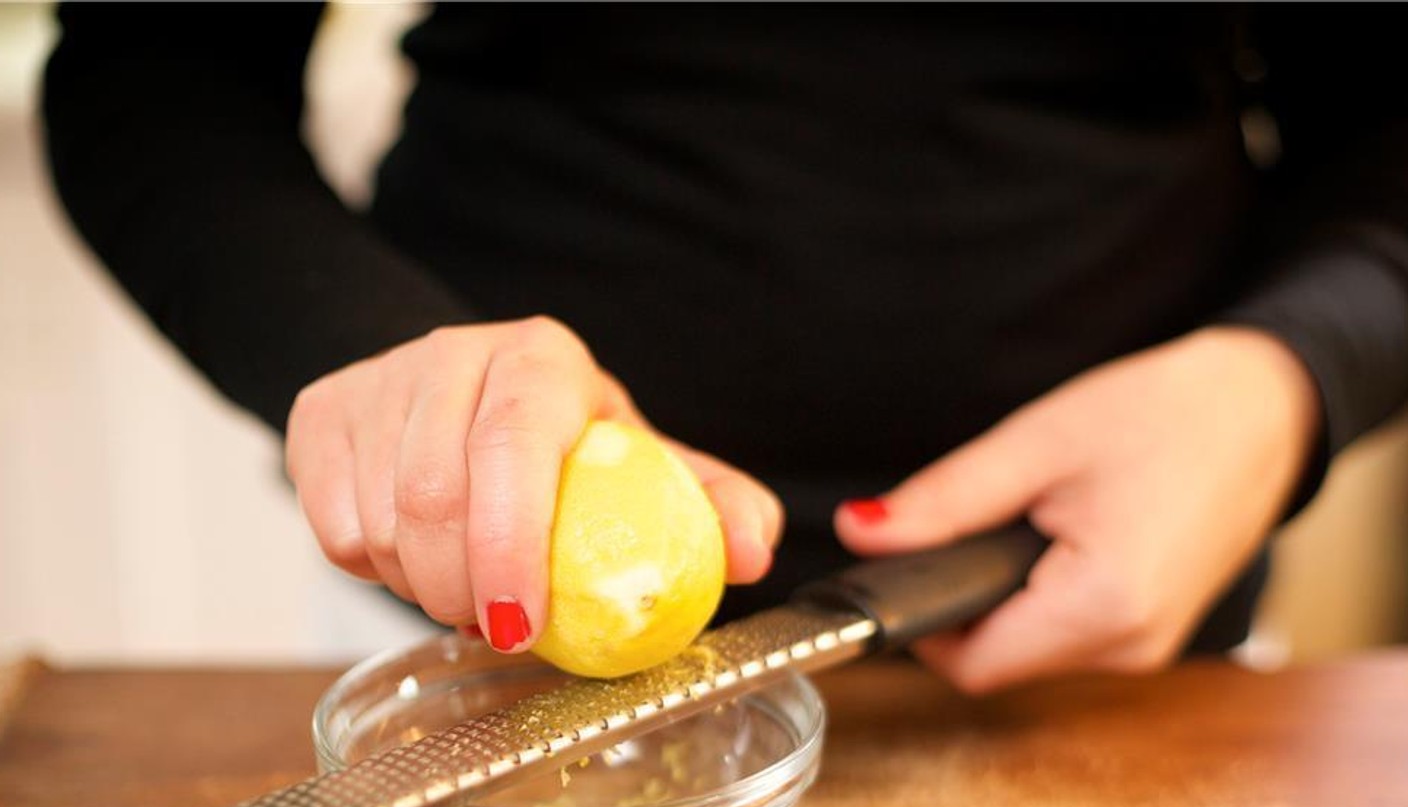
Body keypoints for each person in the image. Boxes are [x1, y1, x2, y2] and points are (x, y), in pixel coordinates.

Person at [42, 4, 1408, 691]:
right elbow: (153, 66)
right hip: (483, 648)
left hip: (1125, 656)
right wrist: (377, 355)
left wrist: (1284, 379)